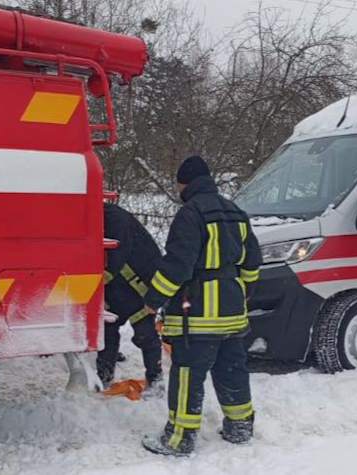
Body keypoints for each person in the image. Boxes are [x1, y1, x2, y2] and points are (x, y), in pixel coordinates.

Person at [141, 156, 262, 456]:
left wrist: (152, 300)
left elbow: (178, 266)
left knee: (187, 375)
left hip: (197, 316)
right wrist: (242, 292)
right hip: (233, 314)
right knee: (232, 370)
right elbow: (252, 263)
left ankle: (179, 438)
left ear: (185, 183)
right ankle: (239, 427)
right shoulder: (237, 213)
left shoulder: (190, 214)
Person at [99, 202, 164, 393]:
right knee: (108, 328)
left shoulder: (115, 220)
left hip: (140, 285)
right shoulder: (102, 218)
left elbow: (113, 259)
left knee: (145, 333)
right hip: (120, 283)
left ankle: (156, 378)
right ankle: (103, 374)